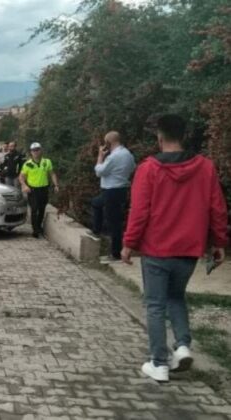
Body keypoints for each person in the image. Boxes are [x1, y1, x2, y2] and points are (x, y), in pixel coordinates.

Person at [121, 114, 228, 382]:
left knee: (155, 305)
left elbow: (139, 212)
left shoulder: (149, 169)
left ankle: (158, 363)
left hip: (157, 248)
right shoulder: (205, 167)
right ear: (184, 135)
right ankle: (182, 346)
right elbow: (217, 208)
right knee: (176, 297)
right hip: (189, 249)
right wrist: (219, 243)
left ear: (159, 136)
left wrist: (128, 244)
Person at [92, 131, 136, 262]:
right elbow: (133, 168)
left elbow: (99, 172)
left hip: (111, 190)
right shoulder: (128, 154)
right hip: (121, 189)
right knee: (96, 203)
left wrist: (100, 156)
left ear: (108, 143)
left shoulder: (114, 157)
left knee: (114, 223)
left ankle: (115, 253)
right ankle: (96, 229)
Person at [19, 142, 59, 238]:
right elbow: (21, 177)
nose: (36, 152)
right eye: (33, 150)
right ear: (31, 152)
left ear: (41, 150)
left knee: (42, 209)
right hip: (32, 190)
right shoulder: (28, 164)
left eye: (37, 149)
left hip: (44, 189)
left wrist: (56, 185)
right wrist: (24, 185)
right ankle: (35, 230)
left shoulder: (47, 162)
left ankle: (39, 227)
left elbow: (52, 174)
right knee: (34, 209)